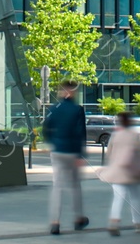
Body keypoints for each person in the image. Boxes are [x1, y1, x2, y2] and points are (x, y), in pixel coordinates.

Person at [42, 80, 89, 234]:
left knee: (58, 186)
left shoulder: (54, 109)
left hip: (57, 150)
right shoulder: (77, 110)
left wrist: (53, 142)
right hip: (72, 152)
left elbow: (46, 129)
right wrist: (80, 154)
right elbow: (80, 133)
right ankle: (78, 218)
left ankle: (55, 222)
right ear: (73, 92)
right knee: (75, 186)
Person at [97, 111, 140, 236]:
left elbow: (109, 154)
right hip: (133, 172)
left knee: (118, 198)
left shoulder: (114, 136)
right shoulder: (137, 136)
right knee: (135, 198)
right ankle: (138, 224)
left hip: (117, 172)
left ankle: (114, 222)